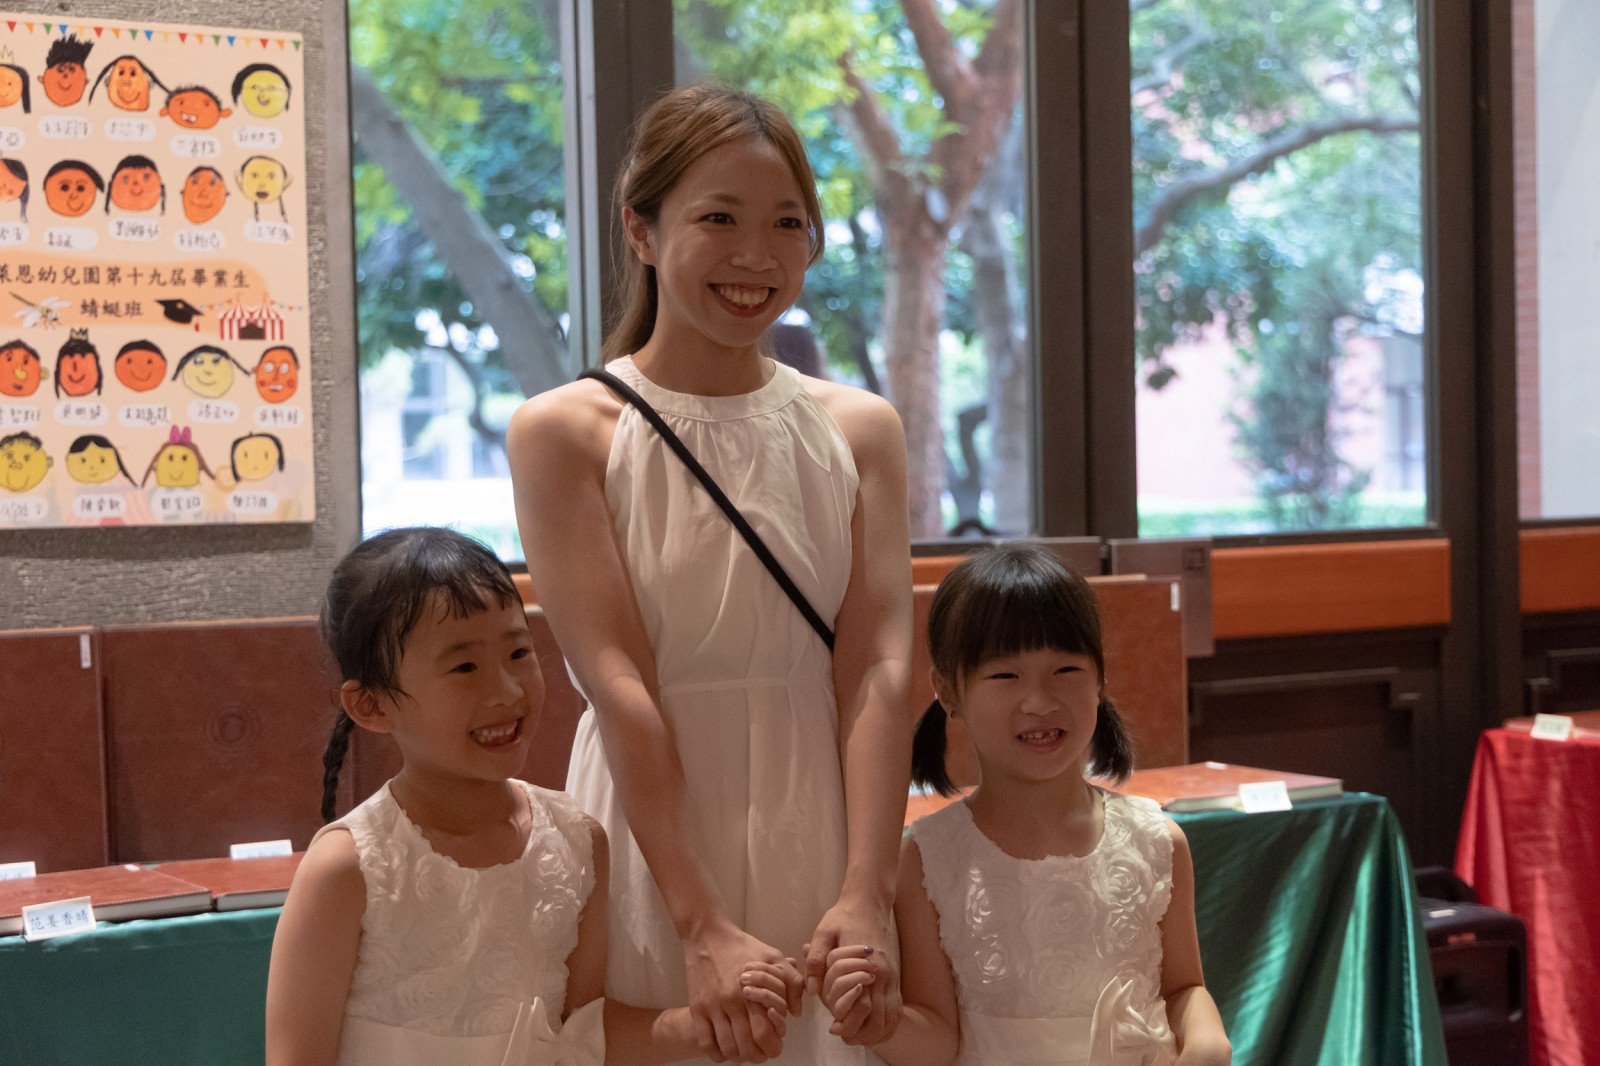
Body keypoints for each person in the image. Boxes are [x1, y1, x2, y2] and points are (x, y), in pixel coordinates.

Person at [507, 84, 913, 1064]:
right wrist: (699, 924)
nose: (757, 255)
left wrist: (867, 889)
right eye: (718, 218)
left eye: (787, 223)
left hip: (823, 818)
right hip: (656, 840)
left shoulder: (861, 428)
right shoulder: (563, 432)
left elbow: (879, 670)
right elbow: (619, 683)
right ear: (641, 230)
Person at [861, 546, 1230, 1066]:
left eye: (1065, 669)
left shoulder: (1157, 840)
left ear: (1100, 680)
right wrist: (881, 1027)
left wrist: (1208, 1041)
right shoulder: (926, 860)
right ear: (948, 690)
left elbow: (1183, 989)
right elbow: (939, 1036)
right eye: (1005, 676)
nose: (1039, 701)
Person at [265, 527, 609, 1066]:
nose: (507, 690)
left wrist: (704, 1026)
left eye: (519, 651)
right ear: (372, 705)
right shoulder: (346, 869)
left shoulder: (579, 842)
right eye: (464, 666)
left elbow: (583, 1038)